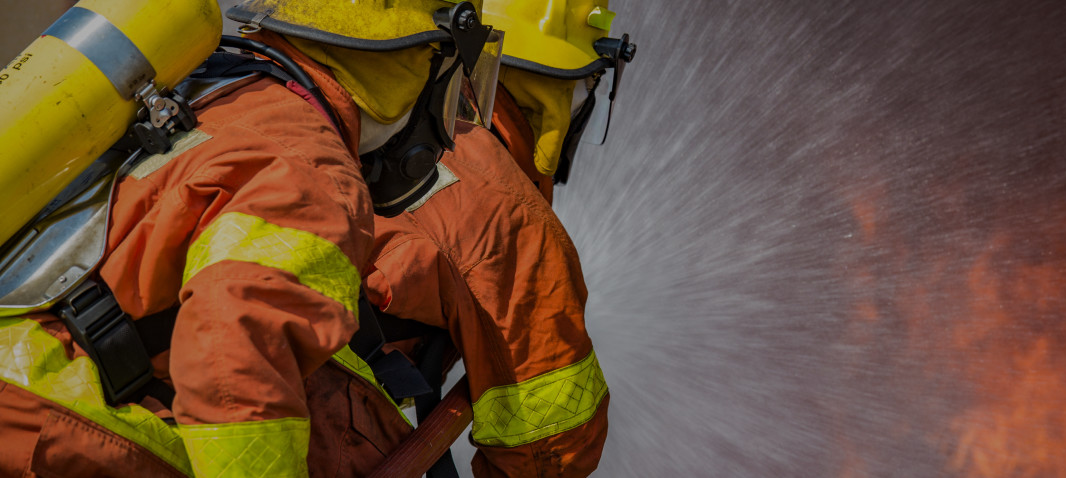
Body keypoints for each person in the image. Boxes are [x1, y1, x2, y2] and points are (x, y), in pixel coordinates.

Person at [0, 1, 488, 476]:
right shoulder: (313, 172)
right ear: (408, 66)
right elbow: (235, 372)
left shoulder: (220, 91)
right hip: (48, 421)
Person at [358, 1, 636, 475]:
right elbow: (549, 450)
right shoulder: (505, 216)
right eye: (590, 83)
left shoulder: (369, 123)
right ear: (567, 85)